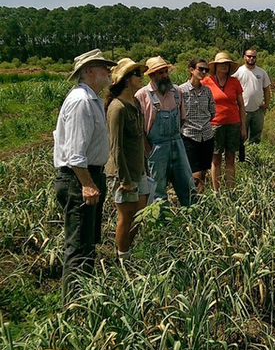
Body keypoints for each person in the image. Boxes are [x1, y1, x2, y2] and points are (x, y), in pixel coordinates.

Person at [54, 48, 116, 296]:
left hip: (87, 176)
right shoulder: (81, 101)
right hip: (78, 179)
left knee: (87, 244)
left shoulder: (91, 99)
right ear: (89, 71)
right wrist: (87, 184)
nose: (109, 71)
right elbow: (75, 153)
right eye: (104, 67)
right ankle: (73, 306)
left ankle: (84, 299)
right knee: (79, 247)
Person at [105, 58, 152, 257]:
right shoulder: (117, 108)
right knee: (126, 217)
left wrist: (145, 168)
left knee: (139, 215)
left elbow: (139, 139)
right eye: (137, 74)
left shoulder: (136, 103)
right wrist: (124, 179)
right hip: (123, 174)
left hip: (138, 170)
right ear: (126, 79)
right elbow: (116, 147)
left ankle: (128, 251)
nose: (141, 77)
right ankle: (122, 257)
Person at [135, 56, 196, 206]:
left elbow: (182, 119)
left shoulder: (176, 91)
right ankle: (161, 218)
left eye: (165, 72)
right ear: (151, 75)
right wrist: (148, 150)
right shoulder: (142, 95)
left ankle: (193, 215)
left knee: (187, 184)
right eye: (160, 73)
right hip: (156, 148)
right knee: (158, 189)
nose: (165, 75)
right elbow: (139, 129)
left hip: (177, 143)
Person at [202, 53, 246, 190]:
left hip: (233, 124)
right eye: (221, 64)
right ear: (215, 66)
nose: (224, 66)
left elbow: (241, 105)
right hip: (214, 125)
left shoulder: (234, 82)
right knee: (215, 158)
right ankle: (217, 192)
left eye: (226, 64)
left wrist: (243, 126)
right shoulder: (207, 81)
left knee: (230, 157)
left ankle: (231, 189)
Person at [178, 58, 216, 194]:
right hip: (189, 136)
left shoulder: (207, 91)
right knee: (195, 174)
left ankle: (201, 200)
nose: (204, 72)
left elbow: (212, 112)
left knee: (203, 172)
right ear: (191, 70)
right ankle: (191, 199)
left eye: (206, 70)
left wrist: (203, 123)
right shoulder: (181, 90)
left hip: (206, 135)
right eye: (200, 69)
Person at [233, 48, 271, 144]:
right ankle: (241, 152)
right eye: (249, 56)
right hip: (243, 110)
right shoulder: (238, 72)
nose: (251, 58)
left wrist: (266, 104)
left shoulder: (261, 72)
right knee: (241, 136)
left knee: (256, 136)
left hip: (258, 110)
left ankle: (254, 151)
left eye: (254, 57)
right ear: (244, 57)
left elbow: (266, 89)